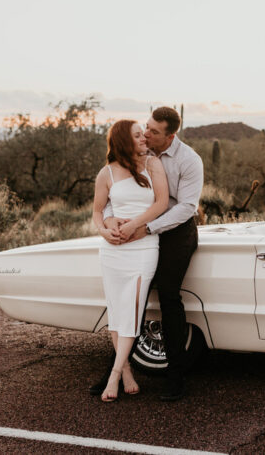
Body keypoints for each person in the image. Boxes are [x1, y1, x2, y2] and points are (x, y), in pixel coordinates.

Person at [102, 105, 203, 401]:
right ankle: (116, 369)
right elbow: (113, 192)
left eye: (154, 131)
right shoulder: (135, 154)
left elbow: (186, 208)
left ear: (171, 136)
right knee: (132, 300)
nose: (146, 134)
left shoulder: (189, 160)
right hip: (138, 231)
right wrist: (109, 220)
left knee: (169, 298)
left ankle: (176, 378)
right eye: (145, 127)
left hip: (175, 232)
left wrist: (147, 229)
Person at [91, 119, 169, 402]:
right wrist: (105, 231)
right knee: (116, 309)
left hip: (143, 246)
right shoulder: (107, 174)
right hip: (113, 250)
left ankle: (113, 374)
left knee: (133, 310)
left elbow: (161, 202)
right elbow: (98, 212)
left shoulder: (152, 165)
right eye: (137, 136)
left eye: (143, 134)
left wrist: (134, 225)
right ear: (124, 141)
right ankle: (125, 372)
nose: (144, 138)